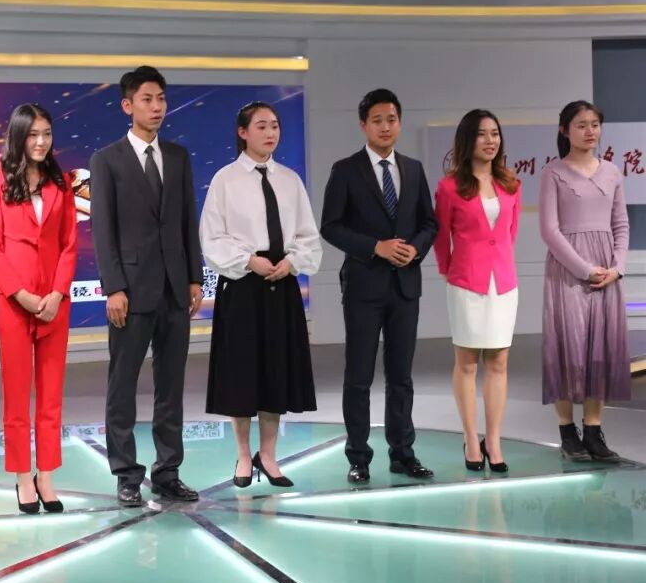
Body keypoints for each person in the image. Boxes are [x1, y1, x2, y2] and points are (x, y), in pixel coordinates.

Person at [90, 65, 204, 507]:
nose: (156, 107)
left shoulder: (177, 156)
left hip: (175, 289)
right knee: (122, 386)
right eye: (147, 100)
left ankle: (168, 471)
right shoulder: (107, 160)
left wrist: (193, 276)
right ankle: (126, 473)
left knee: (171, 387)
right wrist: (113, 287)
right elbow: (103, 230)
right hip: (131, 291)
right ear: (127, 105)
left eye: (161, 99)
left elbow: (187, 220)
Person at [200, 102, 322, 488]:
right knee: (242, 372)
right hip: (242, 284)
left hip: (281, 282)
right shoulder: (225, 180)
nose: (270, 133)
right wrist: (247, 261)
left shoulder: (290, 180)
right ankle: (242, 455)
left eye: (275, 126)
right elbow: (212, 237)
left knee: (275, 371)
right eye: (261, 126)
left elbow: (308, 235)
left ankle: (268, 455)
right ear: (243, 132)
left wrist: (292, 261)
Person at [320, 88, 437, 484]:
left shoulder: (414, 169)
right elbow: (331, 226)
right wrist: (376, 247)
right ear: (363, 125)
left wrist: (415, 249)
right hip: (363, 287)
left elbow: (429, 223)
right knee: (359, 377)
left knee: (401, 376)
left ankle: (403, 453)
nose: (385, 127)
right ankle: (358, 457)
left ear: (399, 123)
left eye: (391, 120)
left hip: (405, 285)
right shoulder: (345, 170)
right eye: (377, 121)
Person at [0, 103, 78, 514]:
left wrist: (56, 294)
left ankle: (47, 475)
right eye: (33, 134)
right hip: (15, 303)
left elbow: (69, 245)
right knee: (17, 396)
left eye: (47, 134)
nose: (41, 142)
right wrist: (19, 294)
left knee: (51, 396)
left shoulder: (61, 182)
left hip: (54, 304)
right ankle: (23, 476)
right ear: (19, 136)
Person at [539, 101, 629, 462]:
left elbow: (620, 224)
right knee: (567, 348)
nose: (590, 131)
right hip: (568, 270)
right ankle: (568, 433)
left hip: (607, 272)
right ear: (565, 130)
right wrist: (584, 269)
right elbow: (549, 230)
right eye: (581, 125)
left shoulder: (613, 172)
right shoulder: (553, 172)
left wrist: (617, 268)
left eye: (594, 124)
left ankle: (593, 431)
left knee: (600, 350)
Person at [433, 110, 521, 473]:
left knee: (499, 362)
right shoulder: (449, 187)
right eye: (482, 134)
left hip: (504, 283)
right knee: (467, 362)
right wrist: (448, 270)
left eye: (495, 133)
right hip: (466, 282)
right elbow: (441, 237)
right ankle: (471, 439)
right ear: (467, 140)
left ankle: (494, 440)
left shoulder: (511, 183)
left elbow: (510, 234)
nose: (490, 140)